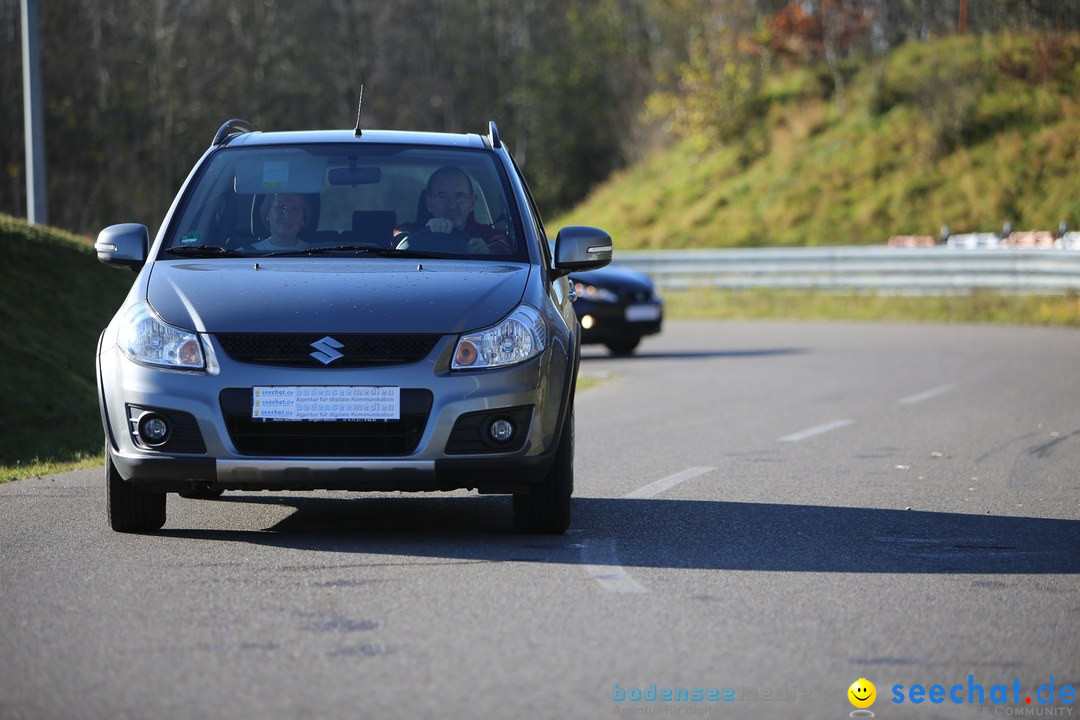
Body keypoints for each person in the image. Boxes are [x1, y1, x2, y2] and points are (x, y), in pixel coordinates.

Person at [397, 166, 511, 254]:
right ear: (429, 204)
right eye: (442, 197)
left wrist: (487, 254)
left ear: (472, 203)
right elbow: (395, 249)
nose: (452, 205)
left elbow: (508, 267)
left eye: (460, 196)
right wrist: (425, 234)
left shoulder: (491, 237)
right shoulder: (408, 232)